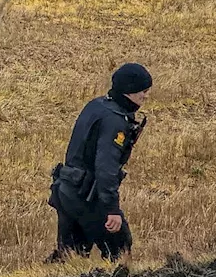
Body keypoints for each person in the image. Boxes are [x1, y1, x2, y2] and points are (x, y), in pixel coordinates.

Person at [47, 63, 151, 264]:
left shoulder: (97, 105)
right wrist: (112, 209)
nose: (146, 96)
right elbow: (106, 168)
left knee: (70, 257)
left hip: (66, 189)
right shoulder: (115, 122)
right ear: (129, 90)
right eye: (143, 91)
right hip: (87, 197)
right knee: (120, 250)